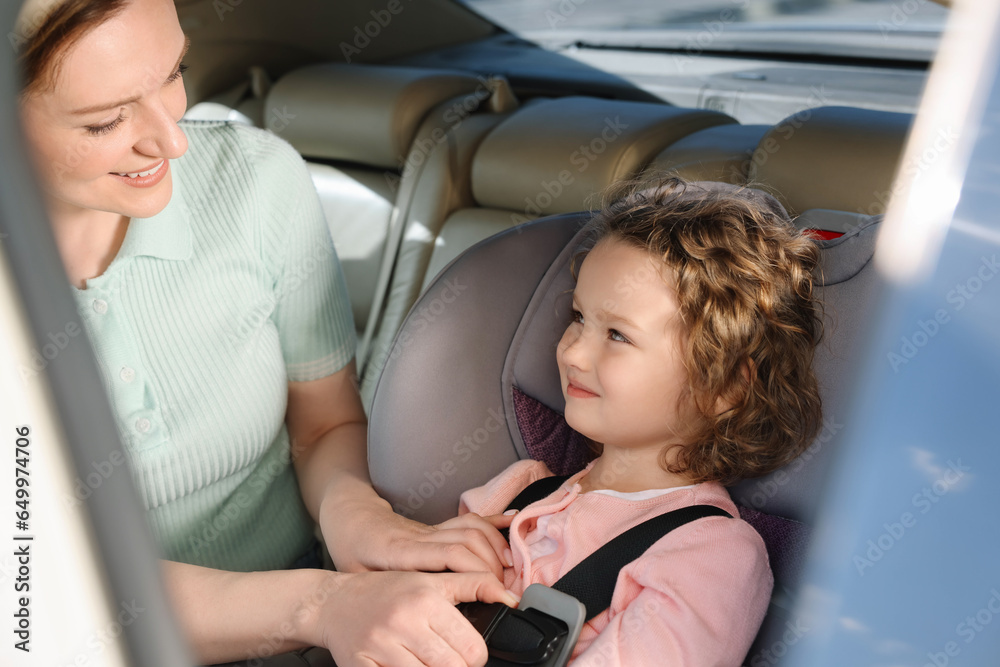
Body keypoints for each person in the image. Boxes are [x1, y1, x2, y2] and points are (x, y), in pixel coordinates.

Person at [15, 0, 519, 664]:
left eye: (174, 73)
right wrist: (321, 605)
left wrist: (356, 518)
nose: (173, 140)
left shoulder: (256, 181)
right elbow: (34, 584)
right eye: (107, 120)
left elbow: (321, 424)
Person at [459, 177, 824, 665]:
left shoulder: (711, 554)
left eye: (617, 335)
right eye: (578, 317)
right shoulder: (519, 491)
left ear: (725, 388)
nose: (573, 352)